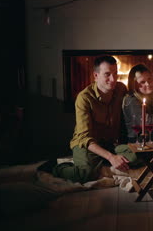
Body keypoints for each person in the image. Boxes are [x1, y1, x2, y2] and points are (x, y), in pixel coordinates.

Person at [38, 55, 131, 183]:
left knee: (135, 157)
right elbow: (84, 138)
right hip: (88, 144)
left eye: (115, 73)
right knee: (85, 174)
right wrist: (111, 157)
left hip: (110, 143)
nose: (113, 79)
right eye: (107, 74)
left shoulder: (121, 89)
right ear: (96, 76)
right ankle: (57, 167)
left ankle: (99, 163)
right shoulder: (84, 98)